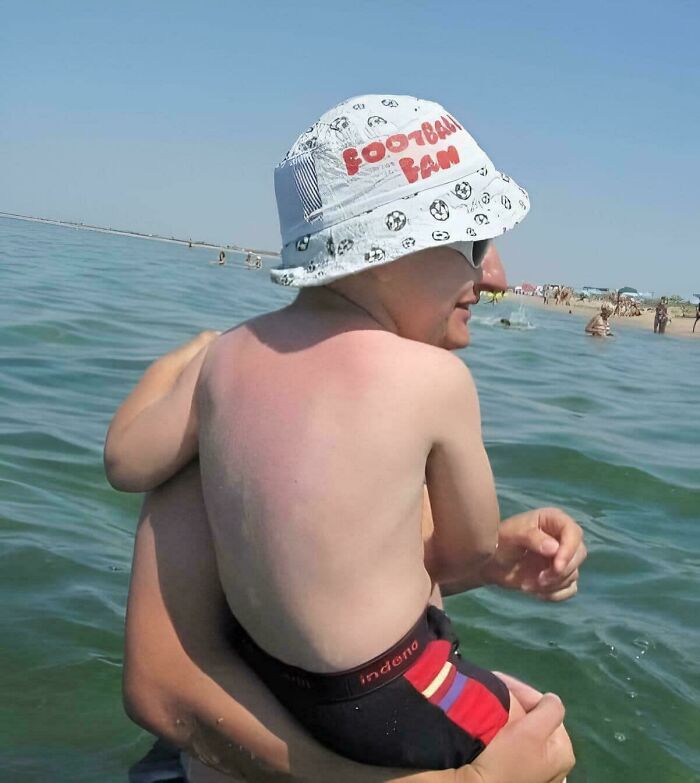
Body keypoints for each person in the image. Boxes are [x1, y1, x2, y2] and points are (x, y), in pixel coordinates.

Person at [106, 94, 575, 772]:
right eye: (474, 242)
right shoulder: (429, 383)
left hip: (303, 697)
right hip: (383, 697)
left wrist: (190, 361)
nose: (495, 277)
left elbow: (126, 459)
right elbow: (160, 687)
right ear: (386, 253)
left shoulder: (223, 374)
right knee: (549, 745)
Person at [124, 455, 579, 783]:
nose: (480, 314)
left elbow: (324, 600)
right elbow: (161, 689)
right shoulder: (232, 400)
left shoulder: (395, 410)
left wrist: (482, 562)